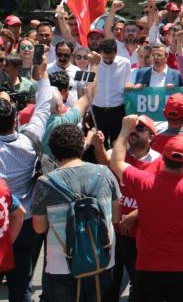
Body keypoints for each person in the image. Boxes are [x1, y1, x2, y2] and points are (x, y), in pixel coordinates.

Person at [110, 116, 183, 301]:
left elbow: (116, 162)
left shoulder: (143, 183)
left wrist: (125, 130)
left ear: (164, 158)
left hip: (148, 267)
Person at [30, 123, 121, 301]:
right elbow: (116, 217)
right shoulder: (105, 174)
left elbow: (39, 228)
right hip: (101, 263)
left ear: (54, 150)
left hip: (61, 269)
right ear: (82, 146)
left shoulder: (45, 183)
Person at [93, 114, 161, 302]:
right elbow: (104, 160)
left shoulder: (160, 162)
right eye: (131, 128)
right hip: (114, 234)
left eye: (139, 129)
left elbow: (159, 199)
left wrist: (134, 216)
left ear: (151, 137)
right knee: (109, 285)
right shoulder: (120, 153)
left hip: (141, 237)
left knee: (139, 286)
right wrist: (99, 145)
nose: (133, 132)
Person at [0, 55, 50, 302]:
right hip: (27, 223)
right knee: (22, 285)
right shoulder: (30, 141)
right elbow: (43, 108)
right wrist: (43, 78)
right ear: (16, 119)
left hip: (2, 224)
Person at [90, 38, 132, 143]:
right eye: (105, 58)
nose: (108, 60)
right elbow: (89, 84)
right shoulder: (93, 63)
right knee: (98, 143)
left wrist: (129, 86)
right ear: (100, 53)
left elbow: (128, 83)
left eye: (111, 58)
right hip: (98, 111)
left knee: (117, 143)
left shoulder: (125, 63)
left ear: (116, 52)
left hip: (118, 111)